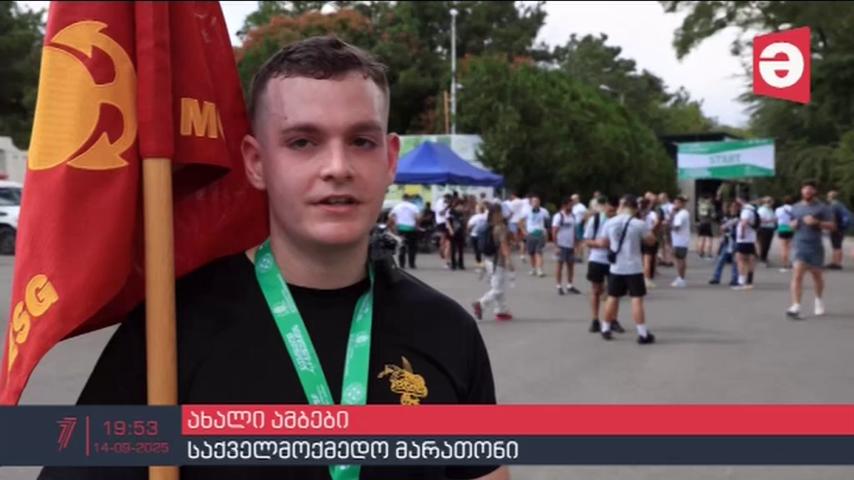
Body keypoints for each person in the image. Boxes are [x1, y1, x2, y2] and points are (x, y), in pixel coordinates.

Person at [40, 36, 508, 480]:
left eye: (361, 141)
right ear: (256, 162)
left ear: (389, 160)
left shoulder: (448, 331)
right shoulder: (170, 331)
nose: (337, 167)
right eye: (303, 141)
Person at [590, 194, 657, 344]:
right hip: (634, 267)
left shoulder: (610, 222)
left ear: (623, 205)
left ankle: (605, 328)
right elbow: (651, 241)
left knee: (612, 297)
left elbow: (604, 242)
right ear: (634, 208)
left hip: (616, 267)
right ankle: (642, 333)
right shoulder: (639, 224)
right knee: (636, 299)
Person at [787, 180, 836, 320]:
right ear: (801, 191)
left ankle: (818, 300)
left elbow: (832, 226)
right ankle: (796, 305)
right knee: (797, 275)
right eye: (805, 188)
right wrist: (792, 225)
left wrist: (817, 222)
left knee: (817, 276)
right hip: (799, 245)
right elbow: (790, 224)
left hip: (815, 246)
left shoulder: (822, 208)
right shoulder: (795, 207)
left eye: (810, 189)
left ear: (814, 191)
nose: (807, 191)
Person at [473, 203, 515, 322]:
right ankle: (481, 304)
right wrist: (509, 260)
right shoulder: (500, 227)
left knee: (497, 287)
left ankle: (501, 310)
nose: (502, 214)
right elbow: (503, 245)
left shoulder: (488, 225)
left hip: (489, 260)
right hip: (498, 261)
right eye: (500, 212)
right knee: (498, 289)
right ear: (496, 214)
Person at [584, 195, 616, 334]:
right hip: (597, 258)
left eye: (613, 210)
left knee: (613, 292)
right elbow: (587, 240)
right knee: (596, 290)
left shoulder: (618, 221)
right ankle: (595, 319)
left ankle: (612, 320)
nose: (611, 211)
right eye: (609, 208)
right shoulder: (595, 219)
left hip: (614, 260)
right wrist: (598, 244)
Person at [552, 197, 581, 295]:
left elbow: (574, 231)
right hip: (561, 245)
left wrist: (576, 244)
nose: (572, 206)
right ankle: (559, 286)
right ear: (564, 205)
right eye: (570, 205)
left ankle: (570, 285)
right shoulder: (558, 216)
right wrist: (556, 246)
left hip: (570, 245)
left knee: (570, 266)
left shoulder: (573, 216)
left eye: (572, 205)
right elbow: (554, 231)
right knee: (559, 266)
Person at [709, 202, 740, 286]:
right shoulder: (726, 218)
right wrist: (722, 237)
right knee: (721, 260)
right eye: (732, 207)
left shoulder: (739, 218)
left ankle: (735, 279)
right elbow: (722, 228)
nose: (733, 209)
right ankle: (716, 277)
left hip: (735, 241)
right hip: (727, 241)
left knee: (735, 261)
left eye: (735, 207)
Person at [733, 197, 759, 291]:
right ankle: (749, 281)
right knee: (749, 260)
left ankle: (741, 282)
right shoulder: (753, 209)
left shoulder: (746, 211)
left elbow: (744, 223)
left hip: (743, 240)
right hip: (751, 239)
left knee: (740, 260)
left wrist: (742, 234)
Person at [390, 193, 421, 269]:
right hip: (411, 229)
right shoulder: (414, 206)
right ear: (409, 199)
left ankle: (402, 264)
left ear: (402, 198)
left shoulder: (397, 206)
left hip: (400, 229)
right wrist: (417, 225)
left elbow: (391, 216)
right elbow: (418, 217)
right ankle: (412, 264)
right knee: (412, 247)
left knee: (401, 246)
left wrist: (395, 223)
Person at [521, 195, 549, 277]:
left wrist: (546, 233)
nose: (536, 203)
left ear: (539, 202)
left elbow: (548, 223)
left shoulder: (544, 211)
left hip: (540, 234)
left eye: (537, 201)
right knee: (531, 253)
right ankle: (533, 268)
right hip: (530, 234)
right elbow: (520, 221)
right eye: (534, 201)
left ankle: (539, 270)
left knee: (539, 252)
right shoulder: (527, 211)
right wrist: (524, 231)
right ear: (531, 203)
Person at [669, 195, 691, 288]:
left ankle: (681, 279)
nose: (675, 205)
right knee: (679, 259)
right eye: (674, 203)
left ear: (682, 204)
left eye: (677, 203)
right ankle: (680, 278)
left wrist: (669, 226)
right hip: (679, 240)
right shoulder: (680, 213)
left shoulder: (682, 214)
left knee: (679, 259)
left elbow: (677, 227)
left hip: (680, 240)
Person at [826, 190, 851, 270]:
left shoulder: (833, 206)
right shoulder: (840, 205)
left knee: (836, 246)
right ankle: (835, 262)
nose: (827, 198)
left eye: (828, 196)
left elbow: (833, 217)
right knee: (837, 245)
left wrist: (832, 227)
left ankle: (837, 264)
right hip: (841, 228)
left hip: (836, 228)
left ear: (831, 197)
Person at [640, 196, 661, 288]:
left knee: (642, 259)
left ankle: (641, 277)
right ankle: (647, 279)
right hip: (649, 235)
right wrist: (653, 230)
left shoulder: (639, 213)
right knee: (648, 259)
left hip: (640, 237)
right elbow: (657, 222)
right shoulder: (651, 213)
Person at [446, 198, 467, 270]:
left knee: (461, 249)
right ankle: (453, 264)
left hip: (460, 232)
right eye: (460, 206)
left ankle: (461, 264)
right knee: (453, 249)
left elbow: (463, 222)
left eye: (462, 206)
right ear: (457, 205)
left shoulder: (461, 213)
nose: (462, 207)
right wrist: (451, 230)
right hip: (453, 232)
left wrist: (465, 230)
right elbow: (448, 222)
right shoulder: (451, 212)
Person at [775, 195, 795, 272]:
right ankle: (792, 264)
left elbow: (776, 218)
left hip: (782, 228)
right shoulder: (794, 209)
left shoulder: (778, 209)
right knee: (790, 247)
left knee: (783, 247)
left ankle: (784, 265)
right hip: (791, 228)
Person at [757, 196, 777, 267]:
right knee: (764, 245)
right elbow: (760, 220)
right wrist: (771, 220)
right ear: (767, 202)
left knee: (768, 245)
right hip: (763, 228)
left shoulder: (770, 209)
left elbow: (774, 217)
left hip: (770, 228)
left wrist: (774, 220)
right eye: (771, 202)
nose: (773, 203)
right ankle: (762, 259)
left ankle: (764, 258)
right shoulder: (762, 210)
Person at [468, 202, 489, 271]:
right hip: (484, 235)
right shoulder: (486, 216)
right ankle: (485, 264)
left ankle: (479, 265)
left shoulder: (475, 217)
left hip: (474, 235)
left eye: (476, 208)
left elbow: (469, 226)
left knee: (477, 251)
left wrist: (470, 229)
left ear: (478, 209)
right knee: (484, 250)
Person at [696, 195, 716, 259]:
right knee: (709, 239)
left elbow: (698, 215)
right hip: (708, 223)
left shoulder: (700, 205)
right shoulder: (711, 206)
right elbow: (713, 216)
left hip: (701, 223)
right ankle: (709, 254)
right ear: (709, 198)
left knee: (701, 238)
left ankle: (700, 253)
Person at [657, 192, 674, 267]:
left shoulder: (670, 206)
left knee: (667, 243)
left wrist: (667, 221)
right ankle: (663, 259)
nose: (660, 200)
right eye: (660, 198)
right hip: (660, 225)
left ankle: (669, 260)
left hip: (666, 226)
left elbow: (671, 215)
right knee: (661, 244)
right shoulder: (660, 206)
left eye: (662, 198)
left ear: (666, 198)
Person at [571, 194, 588, 262]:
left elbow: (586, 214)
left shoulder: (581, 206)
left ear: (578, 199)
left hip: (579, 225)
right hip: (572, 225)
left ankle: (580, 257)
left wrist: (582, 223)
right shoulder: (572, 206)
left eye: (574, 199)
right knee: (574, 241)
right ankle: (575, 255)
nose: (573, 200)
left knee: (580, 241)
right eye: (572, 199)